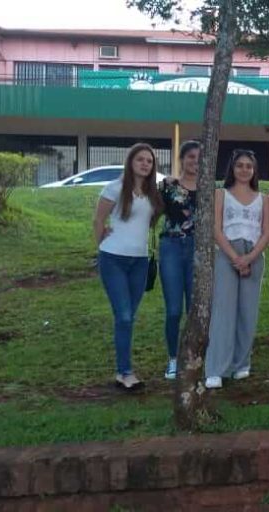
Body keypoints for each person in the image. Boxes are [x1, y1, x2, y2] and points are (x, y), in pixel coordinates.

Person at [92, 143, 163, 391]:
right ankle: (125, 372)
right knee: (122, 315)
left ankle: (124, 368)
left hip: (140, 261)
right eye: (140, 159)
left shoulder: (153, 192)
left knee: (129, 317)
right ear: (130, 162)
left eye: (149, 161)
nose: (145, 164)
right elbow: (98, 220)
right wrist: (102, 244)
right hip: (113, 259)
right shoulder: (114, 188)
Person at [205, 149, 269, 389]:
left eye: (249, 166)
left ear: (254, 170)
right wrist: (236, 258)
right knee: (223, 311)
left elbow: (266, 231)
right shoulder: (221, 194)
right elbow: (215, 228)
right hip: (227, 252)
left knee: (248, 311)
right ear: (232, 169)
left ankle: (241, 363)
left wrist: (250, 257)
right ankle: (216, 368)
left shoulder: (262, 198)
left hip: (254, 254)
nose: (244, 170)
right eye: (239, 165)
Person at [156, 140, 199, 380]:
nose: (195, 161)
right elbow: (152, 214)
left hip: (197, 250)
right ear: (182, 159)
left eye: (200, 157)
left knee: (195, 308)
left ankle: (193, 357)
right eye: (190, 156)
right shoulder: (168, 186)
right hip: (171, 247)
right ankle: (173, 359)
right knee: (174, 309)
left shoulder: (209, 188)